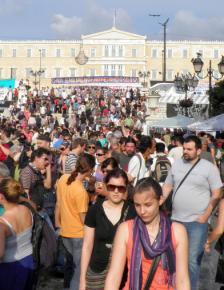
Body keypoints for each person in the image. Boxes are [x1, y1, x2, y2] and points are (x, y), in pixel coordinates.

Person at [105, 177, 190, 290]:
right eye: (137, 205)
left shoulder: (178, 231)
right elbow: (114, 275)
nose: (142, 211)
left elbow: (182, 279)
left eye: (148, 205)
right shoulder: (125, 229)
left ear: (160, 200)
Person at [163, 135, 223, 290]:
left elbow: (217, 193)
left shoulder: (209, 168)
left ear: (198, 150)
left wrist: (206, 215)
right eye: (184, 148)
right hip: (175, 220)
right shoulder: (176, 165)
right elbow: (167, 186)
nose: (185, 151)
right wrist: (159, 202)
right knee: (172, 258)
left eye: (189, 149)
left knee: (192, 262)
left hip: (197, 223)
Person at [79, 169, 136, 290]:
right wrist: (82, 280)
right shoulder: (94, 210)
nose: (116, 191)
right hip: (96, 272)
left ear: (126, 188)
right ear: (106, 186)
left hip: (122, 275)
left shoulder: (133, 212)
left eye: (120, 188)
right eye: (111, 187)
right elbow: (87, 246)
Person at [55, 153, 95, 290]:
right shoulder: (80, 192)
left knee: (69, 266)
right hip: (78, 235)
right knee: (79, 271)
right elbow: (83, 219)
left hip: (65, 231)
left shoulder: (63, 178)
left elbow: (58, 203)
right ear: (90, 170)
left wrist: (57, 224)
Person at [0, 178, 35, 290]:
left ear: (1, 197)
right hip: (29, 261)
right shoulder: (27, 209)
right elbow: (33, 205)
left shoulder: (2, 222)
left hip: (10, 267)